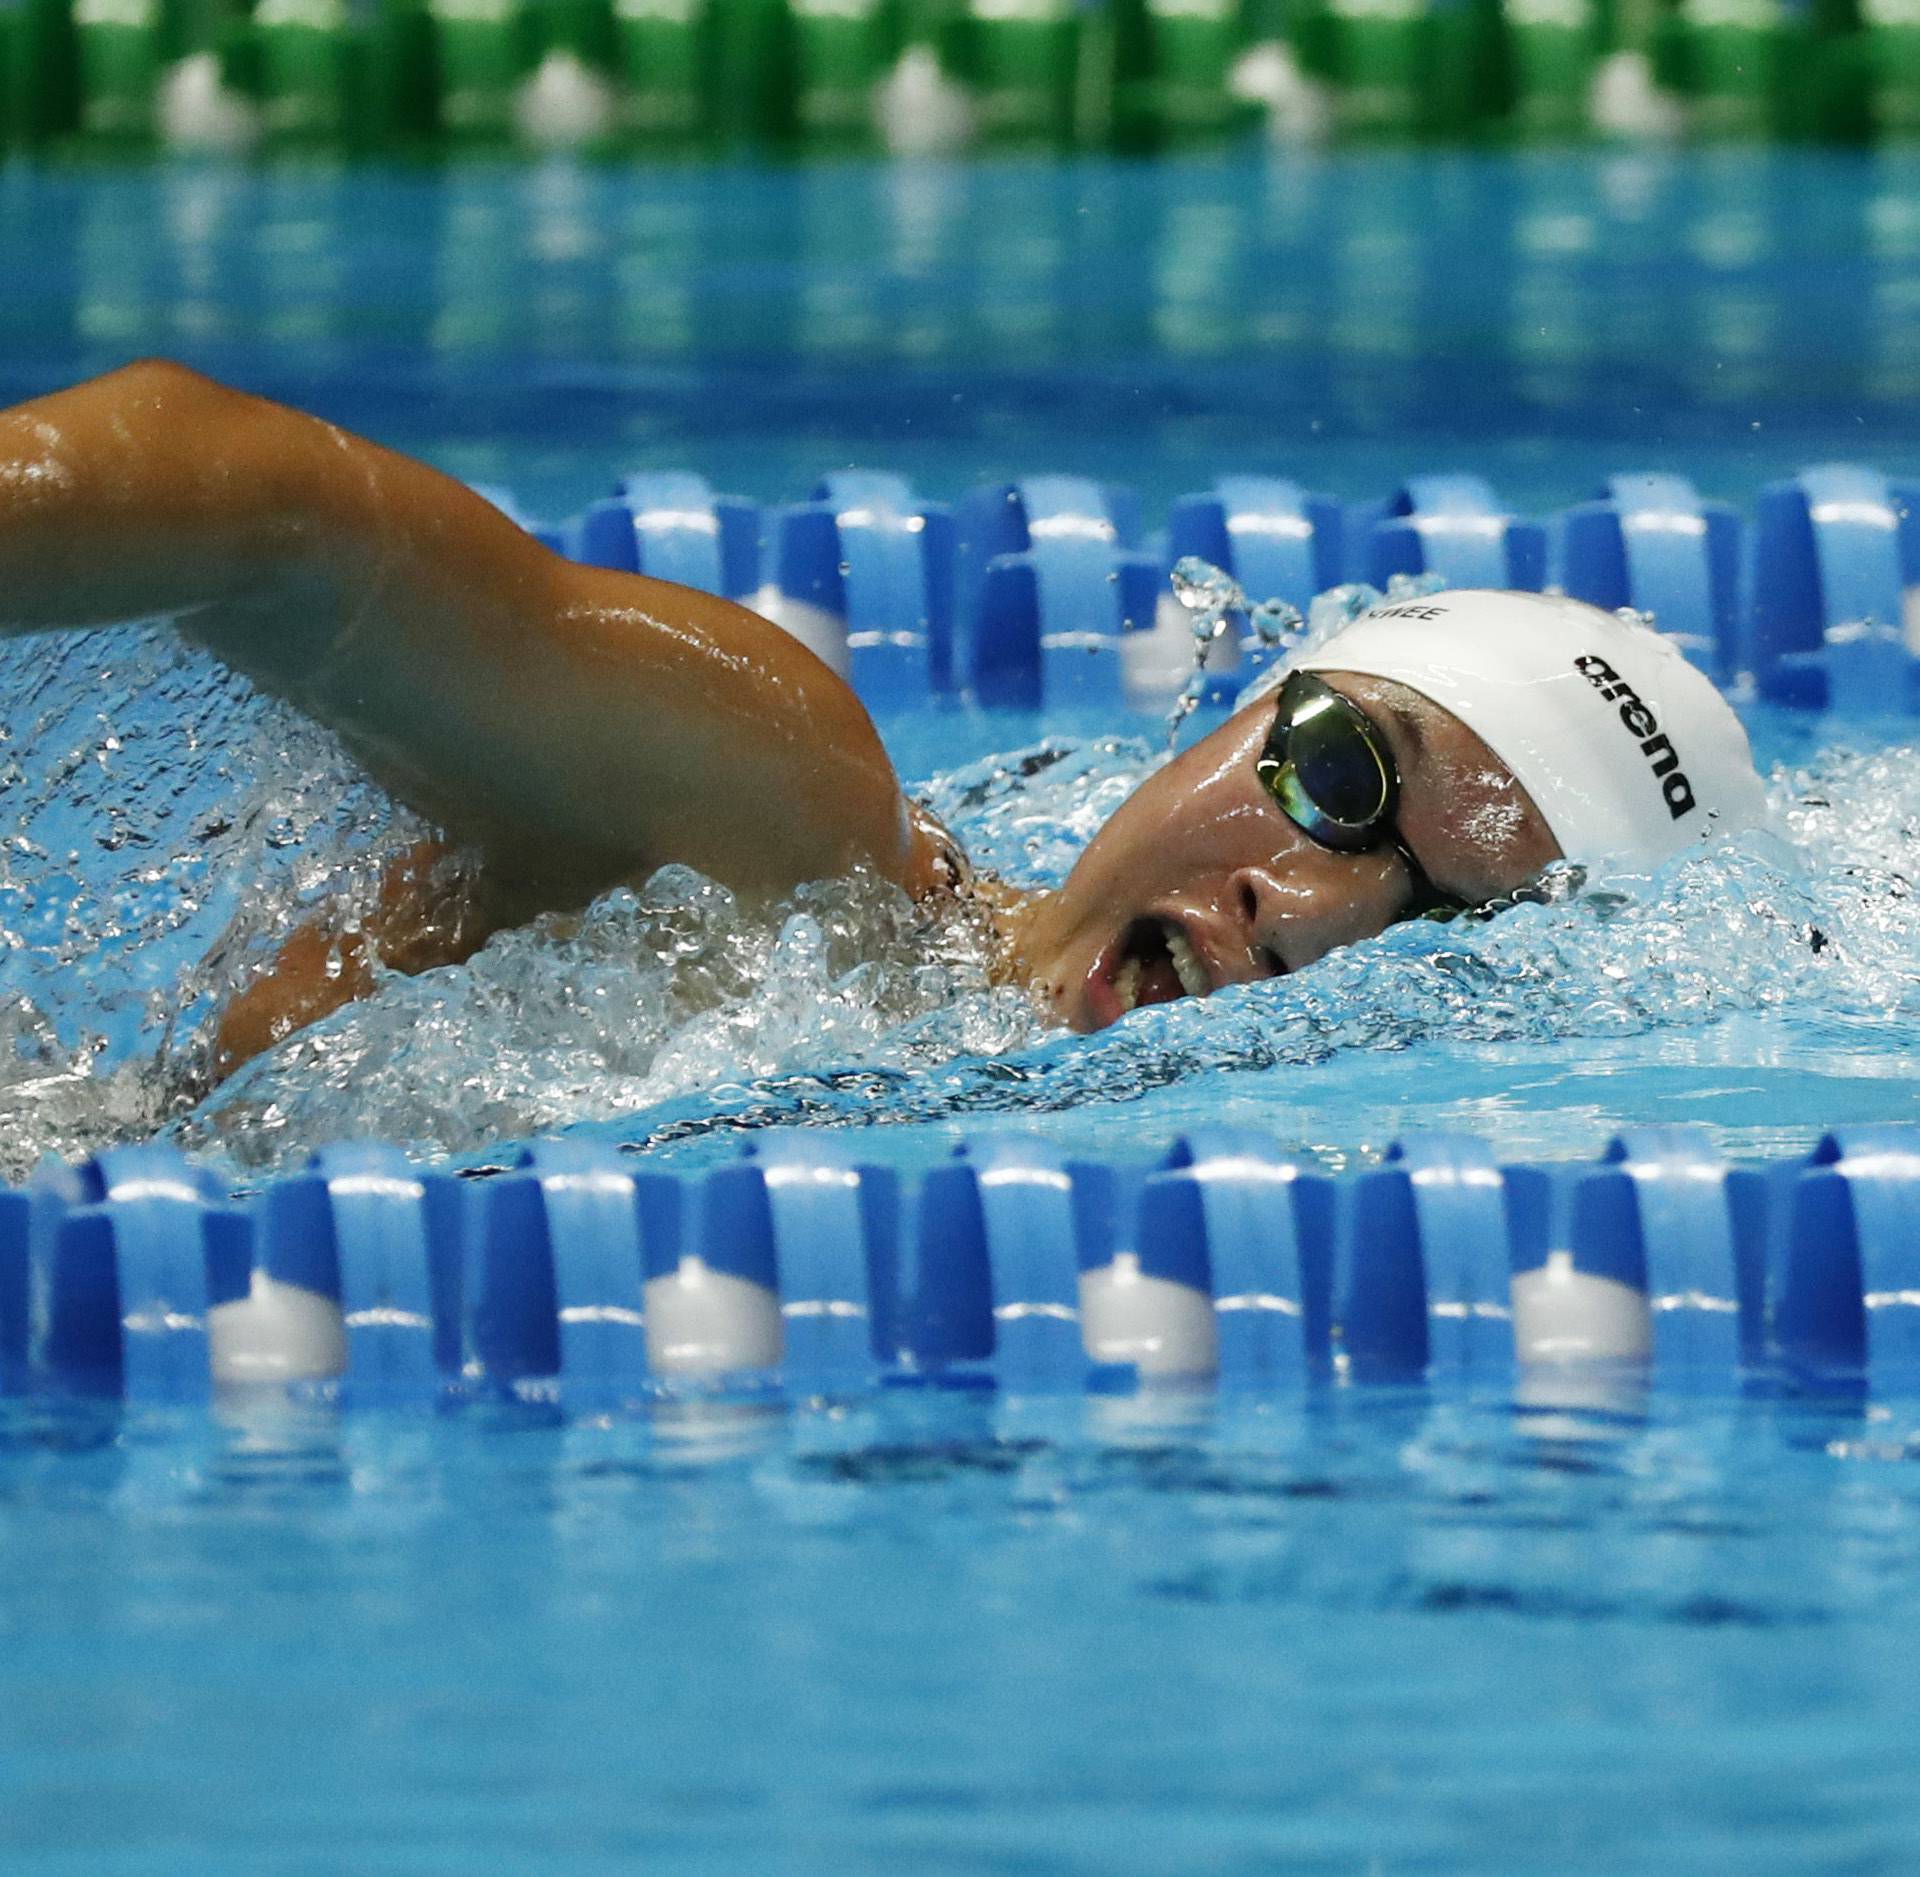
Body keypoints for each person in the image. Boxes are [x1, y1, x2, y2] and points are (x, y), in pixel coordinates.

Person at [0, 362, 1768, 1075]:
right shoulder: (771, 821)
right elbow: (273, 520)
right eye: (1338, 776)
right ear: (1237, 715)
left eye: (1446, 926)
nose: (1304, 919)